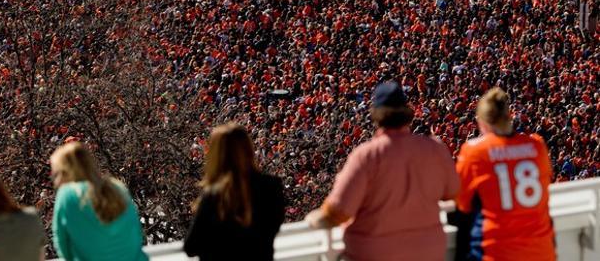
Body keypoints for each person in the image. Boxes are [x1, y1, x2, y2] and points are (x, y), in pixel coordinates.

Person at [306, 81, 460, 261]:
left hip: (374, 253)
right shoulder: (435, 148)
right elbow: (454, 191)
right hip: (428, 251)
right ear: (408, 113)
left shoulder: (367, 156)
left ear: (376, 115)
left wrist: (313, 218)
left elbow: (337, 212)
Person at [453, 88, 556, 261]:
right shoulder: (537, 145)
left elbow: (462, 204)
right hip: (542, 252)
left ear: (482, 122)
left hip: (497, 253)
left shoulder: (474, 151)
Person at [184, 122, 285, 260]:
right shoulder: (272, 186)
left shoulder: (214, 195)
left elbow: (191, 247)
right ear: (249, 149)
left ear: (216, 155)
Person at [50, 142, 148, 261]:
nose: (54, 181)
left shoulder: (67, 195)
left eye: (56, 174)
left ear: (64, 172)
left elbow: (62, 244)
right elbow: (135, 233)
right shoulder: (117, 187)